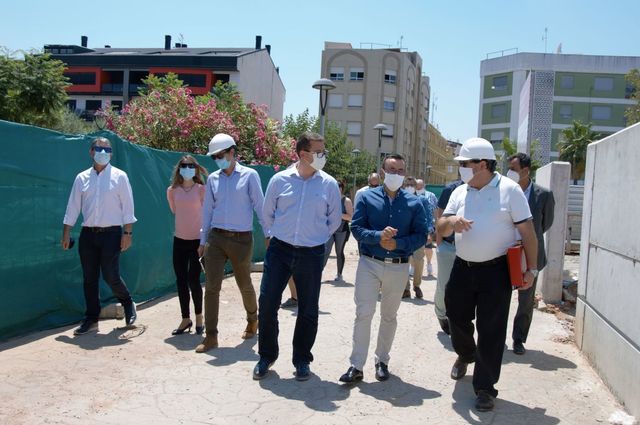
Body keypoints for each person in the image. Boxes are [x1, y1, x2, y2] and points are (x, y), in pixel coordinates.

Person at [437, 137, 538, 412]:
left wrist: (532, 268)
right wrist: (452, 222)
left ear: (482, 164)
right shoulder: (460, 192)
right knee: (455, 316)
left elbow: (528, 231)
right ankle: (465, 354)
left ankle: (485, 388)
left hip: (496, 271)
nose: (461, 168)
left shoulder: (510, 190)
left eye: (464, 163)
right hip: (462, 267)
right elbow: (441, 227)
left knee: (491, 330)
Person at [253, 131, 341, 381]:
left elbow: (334, 221)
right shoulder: (280, 180)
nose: (323, 156)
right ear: (303, 154)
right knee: (268, 304)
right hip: (280, 250)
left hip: (311, 253)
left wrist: (314, 237)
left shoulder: (329, 184)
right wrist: (274, 234)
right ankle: (266, 356)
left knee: (308, 309)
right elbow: (267, 213)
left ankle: (302, 359)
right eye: (319, 151)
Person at [339, 154, 427, 383]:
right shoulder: (367, 198)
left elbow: (420, 236)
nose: (396, 174)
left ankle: (382, 361)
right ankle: (356, 365)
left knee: (389, 316)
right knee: (364, 313)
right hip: (370, 263)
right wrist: (378, 237)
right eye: (391, 169)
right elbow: (356, 228)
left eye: (400, 170)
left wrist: (399, 243)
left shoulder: (414, 203)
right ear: (382, 171)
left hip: (398, 267)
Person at [195, 134, 267, 353]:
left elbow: (260, 206)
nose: (218, 159)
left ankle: (253, 319)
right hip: (216, 238)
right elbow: (207, 211)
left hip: (241, 239)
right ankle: (211, 336)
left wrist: (269, 235)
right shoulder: (213, 179)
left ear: (232, 152)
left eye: (221, 155)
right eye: (215, 157)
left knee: (244, 283)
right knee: (211, 287)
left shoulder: (250, 176)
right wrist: (202, 240)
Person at [61, 137, 137, 335]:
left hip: (112, 233)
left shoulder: (120, 176)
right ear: (91, 152)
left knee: (111, 275)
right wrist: (66, 232)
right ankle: (91, 318)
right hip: (88, 234)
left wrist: (127, 233)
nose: (102, 152)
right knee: (89, 278)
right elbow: (73, 207)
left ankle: (128, 303)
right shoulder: (81, 178)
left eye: (107, 149)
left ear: (111, 153)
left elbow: (128, 207)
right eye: (98, 148)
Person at [507, 153, 555, 355]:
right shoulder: (505, 191)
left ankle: (519, 339)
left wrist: (528, 241)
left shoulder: (543, 195)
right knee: (499, 297)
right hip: (506, 250)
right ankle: (496, 337)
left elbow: (546, 223)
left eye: (513, 169)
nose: (509, 172)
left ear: (526, 171)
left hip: (530, 254)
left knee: (525, 300)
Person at [167, 155, 207, 335]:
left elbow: (206, 216)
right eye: (184, 166)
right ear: (179, 168)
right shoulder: (172, 191)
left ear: (196, 169)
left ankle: (199, 317)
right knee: (181, 280)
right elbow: (175, 210)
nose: (187, 169)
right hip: (179, 241)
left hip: (197, 242)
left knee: (194, 280)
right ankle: (185, 318)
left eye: (191, 166)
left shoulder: (201, 190)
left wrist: (204, 242)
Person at [433, 179, 463, 334]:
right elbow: (440, 212)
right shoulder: (451, 189)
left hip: (470, 248)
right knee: (444, 284)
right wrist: (439, 240)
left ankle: (458, 319)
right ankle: (441, 313)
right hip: (449, 246)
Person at [401, 176, 433, 299]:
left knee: (419, 260)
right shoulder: (401, 199)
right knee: (404, 261)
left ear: (415, 186)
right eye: (407, 184)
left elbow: (429, 217)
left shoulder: (422, 200)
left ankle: (417, 285)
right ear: (403, 186)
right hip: (403, 235)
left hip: (418, 235)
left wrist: (429, 232)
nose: (409, 186)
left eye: (411, 184)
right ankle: (405, 288)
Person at [323, 181, 354, 281]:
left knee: (339, 252)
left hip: (342, 230)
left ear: (341, 188)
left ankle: (339, 274)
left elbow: (350, 217)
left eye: (338, 187)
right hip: (329, 230)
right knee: (325, 250)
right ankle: (319, 271)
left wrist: (337, 214)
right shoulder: (328, 198)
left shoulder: (346, 200)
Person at [416, 179, 438, 276]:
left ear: (424, 185)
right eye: (417, 185)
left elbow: (435, 210)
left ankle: (429, 263)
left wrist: (436, 225)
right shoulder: (411, 194)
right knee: (414, 248)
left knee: (428, 247)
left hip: (428, 226)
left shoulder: (431, 195)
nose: (419, 187)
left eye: (420, 185)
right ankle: (413, 267)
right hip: (415, 226)